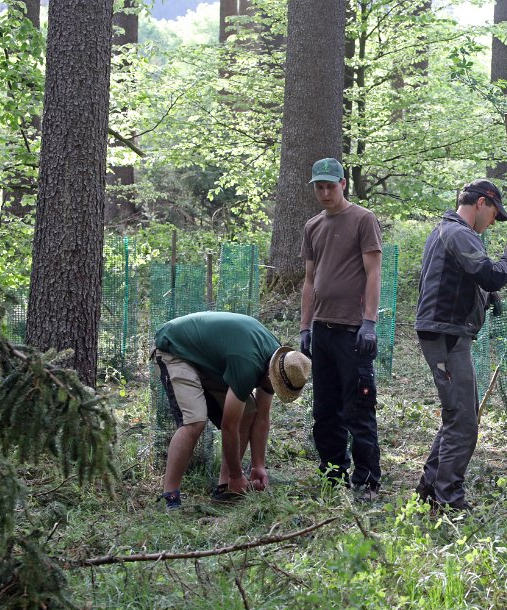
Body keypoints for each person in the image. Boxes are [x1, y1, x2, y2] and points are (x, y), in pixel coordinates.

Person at [414, 179, 507, 510]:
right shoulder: (458, 232)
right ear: (481, 203)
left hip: (449, 333)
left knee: (458, 416)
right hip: (446, 335)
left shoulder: (451, 232)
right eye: (495, 213)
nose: (494, 222)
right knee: (464, 422)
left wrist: (484, 297)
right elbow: (491, 274)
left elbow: (457, 277)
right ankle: (448, 500)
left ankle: (429, 490)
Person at [153, 311, 311, 510]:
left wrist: (258, 466)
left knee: (248, 412)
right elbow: (229, 426)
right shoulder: (248, 365)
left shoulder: (281, 362)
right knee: (195, 421)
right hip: (176, 347)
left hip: (208, 357)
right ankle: (170, 496)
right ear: (271, 375)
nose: (275, 389)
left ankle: (226, 487)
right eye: (277, 386)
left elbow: (262, 417)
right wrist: (238, 474)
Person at [299, 157, 384, 498]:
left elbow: (374, 272)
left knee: (358, 409)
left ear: (343, 184)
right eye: (318, 187)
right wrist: (305, 327)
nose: (324, 193)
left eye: (329, 186)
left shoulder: (363, 220)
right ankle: (333, 475)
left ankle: (367, 481)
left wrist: (369, 322)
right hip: (322, 331)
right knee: (324, 411)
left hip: (353, 331)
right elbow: (308, 280)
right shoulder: (313, 226)